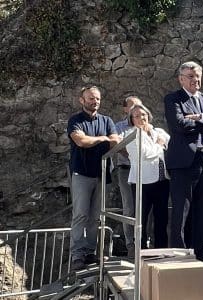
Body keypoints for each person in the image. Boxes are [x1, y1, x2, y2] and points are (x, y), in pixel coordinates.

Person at [163, 61, 203, 263]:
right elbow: (179, 124)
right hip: (183, 161)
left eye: (198, 75)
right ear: (181, 78)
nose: (195, 79)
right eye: (190, 75)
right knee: (181, 210)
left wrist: (199, 117)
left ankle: (202, 251)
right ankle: (179, 254)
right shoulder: (173, 98)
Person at [67, 86, 120, 270]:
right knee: (80, 214)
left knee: (95, 217)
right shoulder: (75, 120)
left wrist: (101, 139)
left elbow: (115, 141)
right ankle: (77, 255)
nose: (94, 101)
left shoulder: (107, 120)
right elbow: (81, 141)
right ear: (82, 100)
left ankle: (89, 252)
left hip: (101, 174)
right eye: (90, 98)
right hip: (81, 173)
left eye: (97, 98)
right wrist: (102, 138)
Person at [124, 104, 170, 249]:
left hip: (162, 179)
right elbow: (144, 154)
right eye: (136, 116)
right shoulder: (131, 134)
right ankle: (141, 250)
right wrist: (159, 145)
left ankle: (160, 248)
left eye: (143, 114)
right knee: (142, 218)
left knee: (161, 217)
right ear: (132, 119)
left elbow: (170, 142)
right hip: (142, 181)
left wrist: (159, 143)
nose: (141, 118)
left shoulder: (158, 131)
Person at [112, 96, 142, 257]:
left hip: (144, 170)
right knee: (129, 207)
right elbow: (118, 146)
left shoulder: (145, 125)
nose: (136, 109)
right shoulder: (119, 126)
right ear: (125, 109)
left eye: (139, 105)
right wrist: (134, 155)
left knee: (144, 207)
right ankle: (130, 244)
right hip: (126, 168)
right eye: (132, 106)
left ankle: (143, 242)